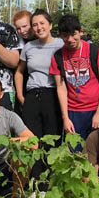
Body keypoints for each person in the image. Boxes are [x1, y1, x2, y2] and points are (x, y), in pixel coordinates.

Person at [50, 14, 99, 146]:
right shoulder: (58, 57)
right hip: (74, 112)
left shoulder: (95, 51)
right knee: (75, 153)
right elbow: (61, 88)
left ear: (81, 32)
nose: (70, 39)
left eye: (74, 34)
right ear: (60, 35)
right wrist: (65, 118)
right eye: (66, 35)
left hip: (97, 108)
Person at [15, 9, 63, 137]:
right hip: (32, 95)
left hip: (53, 96)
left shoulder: (61, 45)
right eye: (35, 25)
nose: (39, 28)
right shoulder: (29, 47)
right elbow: (19, 72)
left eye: (42, 23)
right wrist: (20, 96)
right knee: (31, 139)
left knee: (53, 138)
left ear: (50, 25)